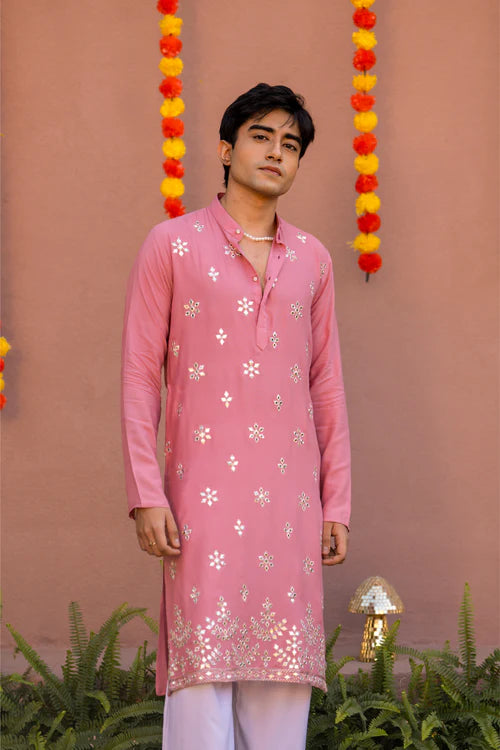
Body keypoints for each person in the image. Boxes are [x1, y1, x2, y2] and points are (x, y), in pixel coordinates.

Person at [120, 82, 351, 750]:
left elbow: (326, 386)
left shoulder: (313, 260)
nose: (277, 152)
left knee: (283, 690)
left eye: (291, 144)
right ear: (226, 150)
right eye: (261, 136)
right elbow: (139, 376)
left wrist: (335, 503)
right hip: (200, 500)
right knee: (202, 684)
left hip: (291, 503)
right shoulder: (171, 244)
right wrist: (145, 493)